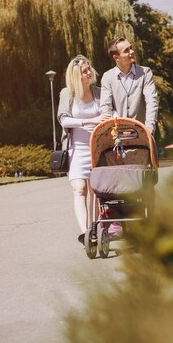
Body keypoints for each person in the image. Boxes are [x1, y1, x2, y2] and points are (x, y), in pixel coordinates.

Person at [57, 55, 110, 244]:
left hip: (97, 149)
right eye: (84, 72)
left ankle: (94, 228)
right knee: (80, 189)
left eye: (89, 69)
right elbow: (63, 120)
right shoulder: (67, 94)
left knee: (95, 192)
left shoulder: (99, 92)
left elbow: (109, 114)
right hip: (77, 150)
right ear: (75, 77)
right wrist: (90, 121)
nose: (89, 73)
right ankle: (85, 232)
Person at [99, 37, 159, 134]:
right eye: (126, 51)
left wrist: (149, 127)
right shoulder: (107, 77)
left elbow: (152, 101)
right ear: (116, 57)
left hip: (142, 133)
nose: (131, 51)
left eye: (131, 48)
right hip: (117, 135)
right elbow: (106, 107)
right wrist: (110, 129)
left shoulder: (145, 73)